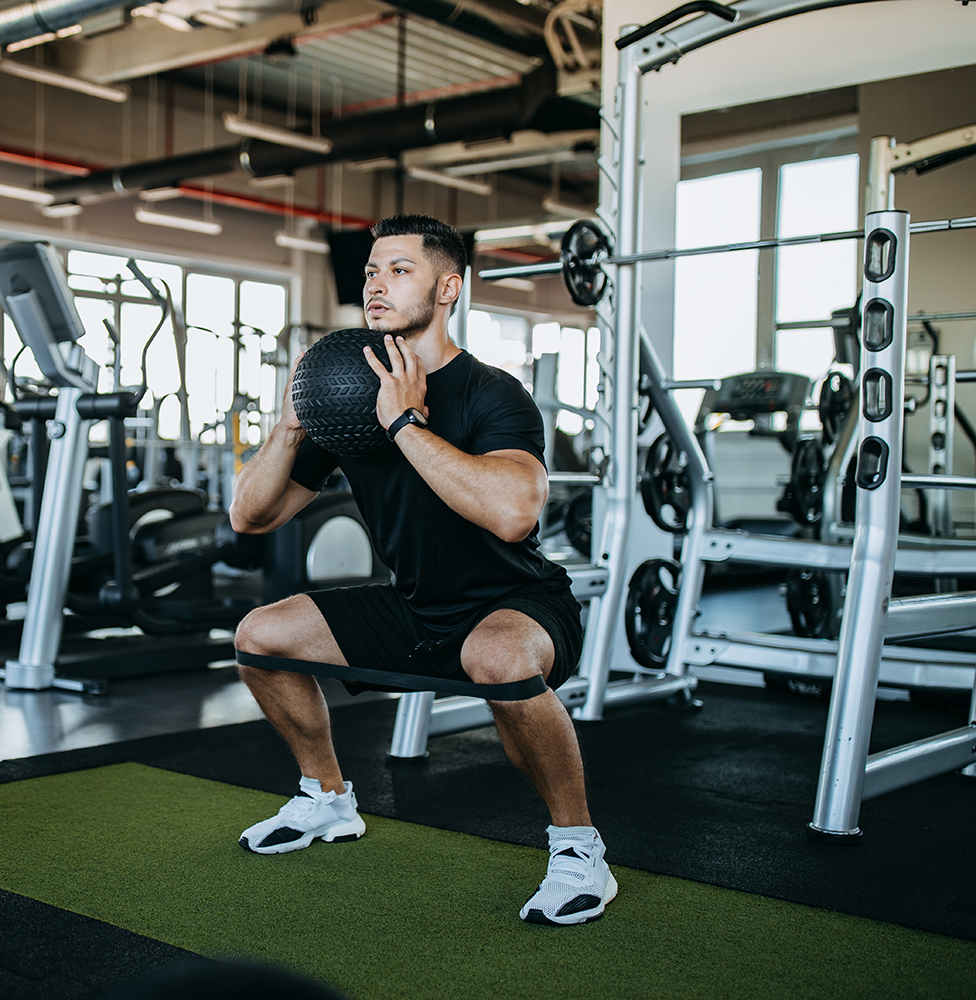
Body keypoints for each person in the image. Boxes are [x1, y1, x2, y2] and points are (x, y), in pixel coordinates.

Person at [230, 214, 616, 926]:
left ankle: (578, 848)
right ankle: (327, 799)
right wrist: (289, 427)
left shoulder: (492, 393)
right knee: (260, 634)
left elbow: (513, 515)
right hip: (414, 605)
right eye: (373, 271)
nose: (376, 284)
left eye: (399, 270)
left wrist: (408, 423)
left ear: (448, 290)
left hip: (517, 603)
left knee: (496, 656)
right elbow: (250, 518)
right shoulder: (348, 391)